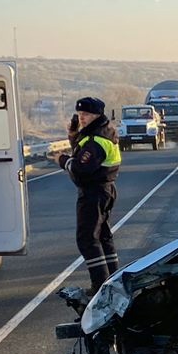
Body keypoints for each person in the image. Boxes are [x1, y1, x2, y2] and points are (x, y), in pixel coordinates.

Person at [58, 96, 122, 292]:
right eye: (79, 114)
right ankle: (113, 280)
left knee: (87, 239)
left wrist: (62, 160)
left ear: (97, 115)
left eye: (86, 114)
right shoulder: (100, 132)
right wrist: (73, 135)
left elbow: (80, 168)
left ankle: (100, 285)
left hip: (94, 192)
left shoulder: (96, 139)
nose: (82, 118)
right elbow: (82, 152)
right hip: (104, 190)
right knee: (103, 237)